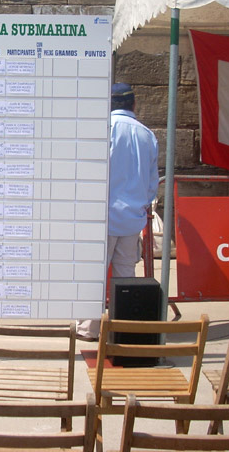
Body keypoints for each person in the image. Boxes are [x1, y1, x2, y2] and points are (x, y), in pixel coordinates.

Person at [76, 83, 159, 341]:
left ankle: (89, 329)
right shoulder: (147, 135)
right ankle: (121, 328)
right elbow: (151, 183)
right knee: (125, 275)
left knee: (94, 275)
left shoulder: (102, 131)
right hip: (131, 218)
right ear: (134, 104)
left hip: (100, 217)